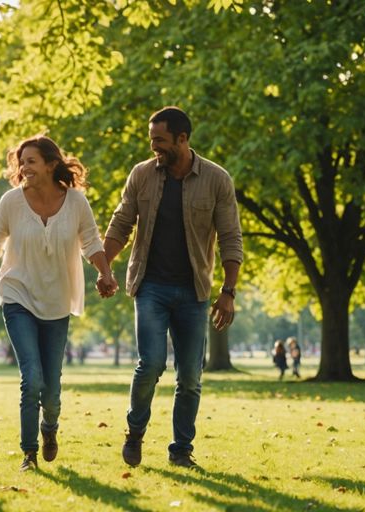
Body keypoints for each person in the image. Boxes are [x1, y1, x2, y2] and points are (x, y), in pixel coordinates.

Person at [0, 135, 117, 472]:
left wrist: (105, 273)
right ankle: (29, 454)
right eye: (21, 162)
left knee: (51, 388)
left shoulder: (76, 202)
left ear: (51, 164)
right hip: (17, 295)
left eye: (31, 161)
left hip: (56, 301)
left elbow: (91, 241)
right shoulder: (11, 202)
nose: (23, 167)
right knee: (32, 378)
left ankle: (49, 428)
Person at [103, 107, 243, 469]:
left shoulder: (216, 179)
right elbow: (121, 223)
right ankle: (135, 433)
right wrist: (104, 268)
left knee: (191, 377)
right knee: (150, 364)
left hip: (194, 292)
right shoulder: (142, 175)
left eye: (160, 141)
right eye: (151, 140)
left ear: (183, 139)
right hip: (150, 286)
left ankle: (181, 450)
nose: (154, 148)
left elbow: (230, 237)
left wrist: (228, 292)